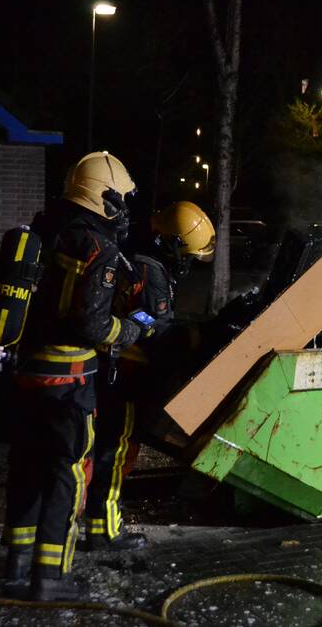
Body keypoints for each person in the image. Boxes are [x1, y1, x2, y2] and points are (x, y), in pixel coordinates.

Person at [1, 151, 151, 601]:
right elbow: (92, 325)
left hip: (27, 372)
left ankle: (16, 564)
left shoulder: (47, 231)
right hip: (69, 380)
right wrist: (130, 329)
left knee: (27, 464)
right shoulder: (97, 247)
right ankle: (51, 577)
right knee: (68, 471)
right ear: (104, 197)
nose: (123, 209)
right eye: (119, 199)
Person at [84, 201, 215, 551]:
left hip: (114, 369)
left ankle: (96, 519)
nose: (188, 261)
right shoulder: (149, 270)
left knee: (109, 447)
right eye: (186, 252)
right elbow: (150, 325)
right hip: (124, 372)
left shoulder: (137, 257)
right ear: (171, 242)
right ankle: (105, 529)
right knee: (116, 448)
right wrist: (192, 337)